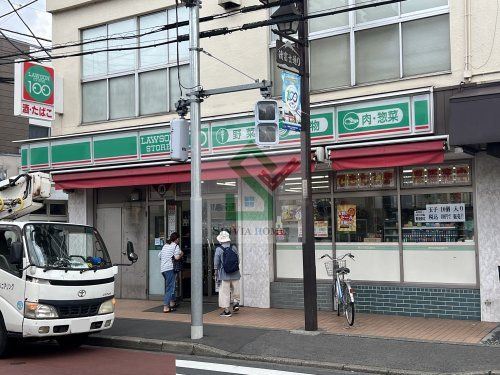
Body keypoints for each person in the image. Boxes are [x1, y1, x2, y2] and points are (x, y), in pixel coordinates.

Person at [213, 230, 240, 317]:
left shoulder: (219, 249)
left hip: (224, 274)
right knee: (235, 289)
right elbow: (238, 260)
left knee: (224, 292)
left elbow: (216, 263)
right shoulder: (234, 247)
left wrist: (215, 272)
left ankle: (227, 311)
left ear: (220, 240)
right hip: (235, 273)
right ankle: (236, 302)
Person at [158, 232, 183, 313]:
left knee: (171, 285)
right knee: (170, 287)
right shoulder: (175, 246)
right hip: (170, 269)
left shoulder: (165, 245)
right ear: (177, 239)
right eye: (178, 239)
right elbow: (176, 257)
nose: (179, 240)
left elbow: (159, 256)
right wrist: (181, 254)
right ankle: (166, 306)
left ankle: (172, 303)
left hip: (163, 269)